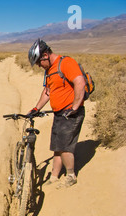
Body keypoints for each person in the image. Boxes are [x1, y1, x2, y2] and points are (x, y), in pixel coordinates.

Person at [27, 38, 86, 189]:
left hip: (70, 113)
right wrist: (36, 108)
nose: (39, 66)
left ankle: (71, 176)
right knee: (57, 146)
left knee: (65, 146)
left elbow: (80, 82)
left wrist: (74, 107)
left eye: (39, 62)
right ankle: (54, 176)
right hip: (59, 114)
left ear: (45, 55)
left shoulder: (66, 63)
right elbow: (47, 92)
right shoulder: (49, 71)